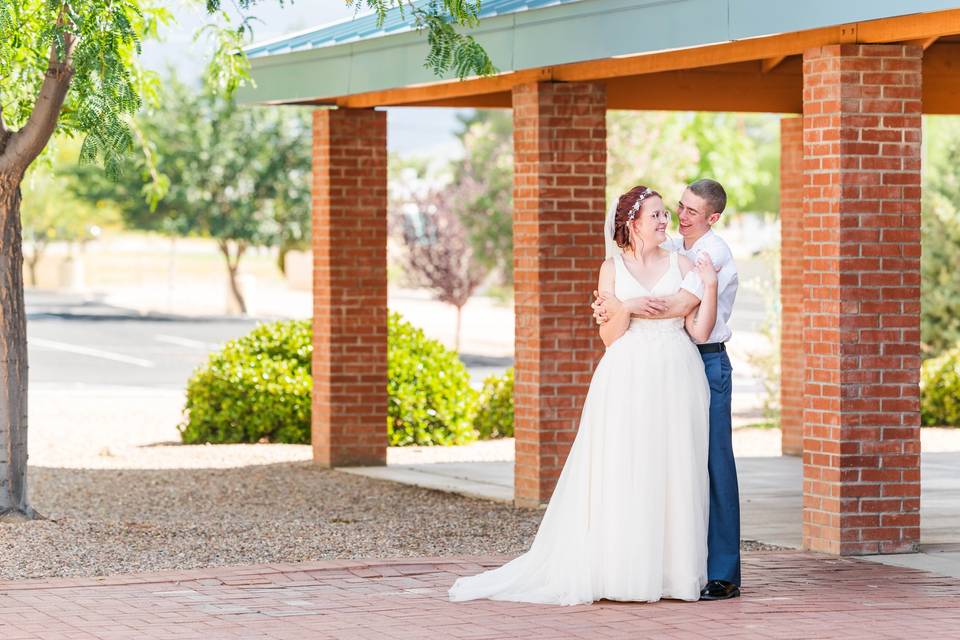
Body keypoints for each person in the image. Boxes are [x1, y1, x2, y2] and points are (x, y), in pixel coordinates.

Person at [448, 186, 718, 606]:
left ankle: (672, 573)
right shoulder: (611, 270)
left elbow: (695, 325)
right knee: (624, 464)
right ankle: (622, 568)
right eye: (656, 215)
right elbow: (609, 337)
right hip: (626, 374)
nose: (665, 221)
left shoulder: (682, 262)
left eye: (666, 214)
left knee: (674, 466)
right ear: (632, 222)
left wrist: (701, 290)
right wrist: (627, 307)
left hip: (677, 374)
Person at [593, 178, 741, 601]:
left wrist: (622, 305)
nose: (679, 216)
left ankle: (724, 573)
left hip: (707, 357)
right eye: (678, 207)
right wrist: (610, 303)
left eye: (690, 212)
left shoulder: (712, 254)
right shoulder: (677, 248)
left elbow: (676, 308)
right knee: (670, 463)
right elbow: (640, 273)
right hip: (670, 360)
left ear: (712, 218)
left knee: (713, 465)